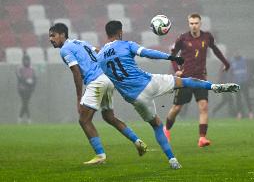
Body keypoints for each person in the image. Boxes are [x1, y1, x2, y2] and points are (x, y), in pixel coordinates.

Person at [96, 20, 239, 169]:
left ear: (107, 34)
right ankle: (215, 87)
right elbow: (147, 53)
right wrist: (171, 57)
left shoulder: (100, 58)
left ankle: (173, 160)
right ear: (120, 32)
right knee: (185, 81)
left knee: (157, 126)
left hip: (136, 98)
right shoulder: (126, 44)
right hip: (149, 82)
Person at [49, 23, 147, 165]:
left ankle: (100, 156)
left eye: (53, 35)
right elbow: (98, 51)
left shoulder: (65, 50)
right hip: (107, 78)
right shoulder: (80, 42)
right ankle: (137, 141)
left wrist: (78, 98)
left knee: (84, 120)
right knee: (109, 117)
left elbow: (76, 72)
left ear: (62, 34)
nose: (50, 39)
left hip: (96, 81)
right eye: (50, 36)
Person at [164, 13, 231, 147]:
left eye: (196, 23)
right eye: (191, 23)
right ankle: (166, 129)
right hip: (185, 79)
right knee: (177, 108)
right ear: (189, 24)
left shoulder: (207, 37)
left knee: (203, 106)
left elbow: (216, 50)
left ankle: (202, 138)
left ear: (200, 24)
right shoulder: (182, 38)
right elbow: (172, 55)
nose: (194, 25)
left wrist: (225, 62)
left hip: (201, 78)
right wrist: (176, 68)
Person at [230, 54, 253, 119]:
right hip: (237, 83)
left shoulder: (244, 60)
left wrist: (248, 79)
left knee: (247, 97)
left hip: (244, 82)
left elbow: (248, 70)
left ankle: (250, 112)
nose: (237, 52)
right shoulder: (232, 61)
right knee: (238, 99)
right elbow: (231, 72)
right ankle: (239, 113)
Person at [16, 54, 36, 124]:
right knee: (25, 102)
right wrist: (27, 81)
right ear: (23, 61)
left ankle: (20, 118)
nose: (26, 61)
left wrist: (33, 86)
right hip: (22, 89)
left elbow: (35, 78)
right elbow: (19, 78)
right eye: (25, 60)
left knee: (25, 103)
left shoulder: (32, 69)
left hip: (29, 89)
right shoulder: (20, 68)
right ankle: (28, 118)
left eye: (27, 60)